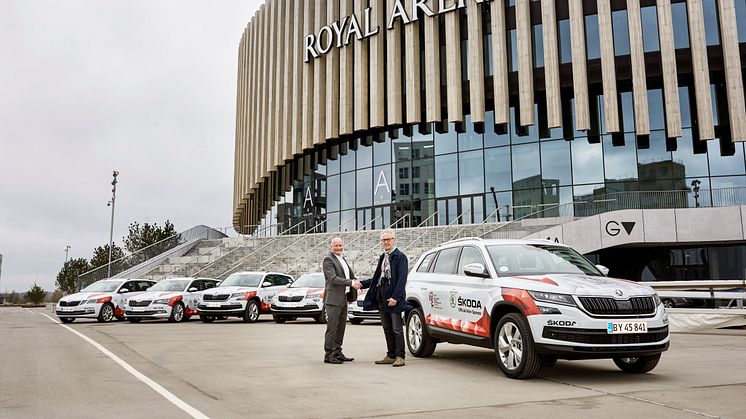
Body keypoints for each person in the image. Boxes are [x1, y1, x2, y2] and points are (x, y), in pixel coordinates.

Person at [360, 229, 408, 367]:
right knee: (387, 328)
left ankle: (400, 356)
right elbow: (377, 278)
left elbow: (402, 279)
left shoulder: (400, 257)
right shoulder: (383, 257)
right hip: (382, 297)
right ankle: (391, 354)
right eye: (384, 240)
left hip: (393, 299)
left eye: (388, 239)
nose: (386, 242)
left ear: (394, 240)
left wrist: (395, 297)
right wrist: (361, 284)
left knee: (397, 329)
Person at [322, 237, 361, 364]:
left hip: (343, 299)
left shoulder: (342, 259)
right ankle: (329, 354)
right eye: (336, 246)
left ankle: (337, 352)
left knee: (341, 327)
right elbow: (333, 279)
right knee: (332, 328)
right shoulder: (328, 260)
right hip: (333, 300)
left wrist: (356, 285)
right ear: (331, 247)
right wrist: (351, 282)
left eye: (340, 245)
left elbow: (350, 276)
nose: (338, 248)